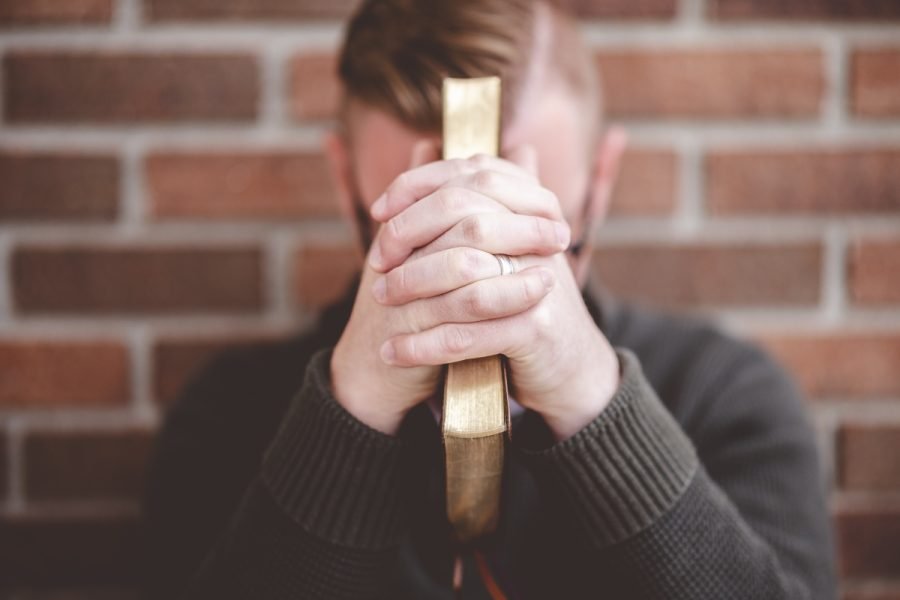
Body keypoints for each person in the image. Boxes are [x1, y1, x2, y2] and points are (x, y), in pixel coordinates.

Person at [140, 0, 836, 598]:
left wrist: (593, 399)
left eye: (531, 238)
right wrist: (350, 412)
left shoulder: (726, 399)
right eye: (418, 235)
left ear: (603, 178)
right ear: (343, 178)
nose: (475, 299)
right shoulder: (230, 413)